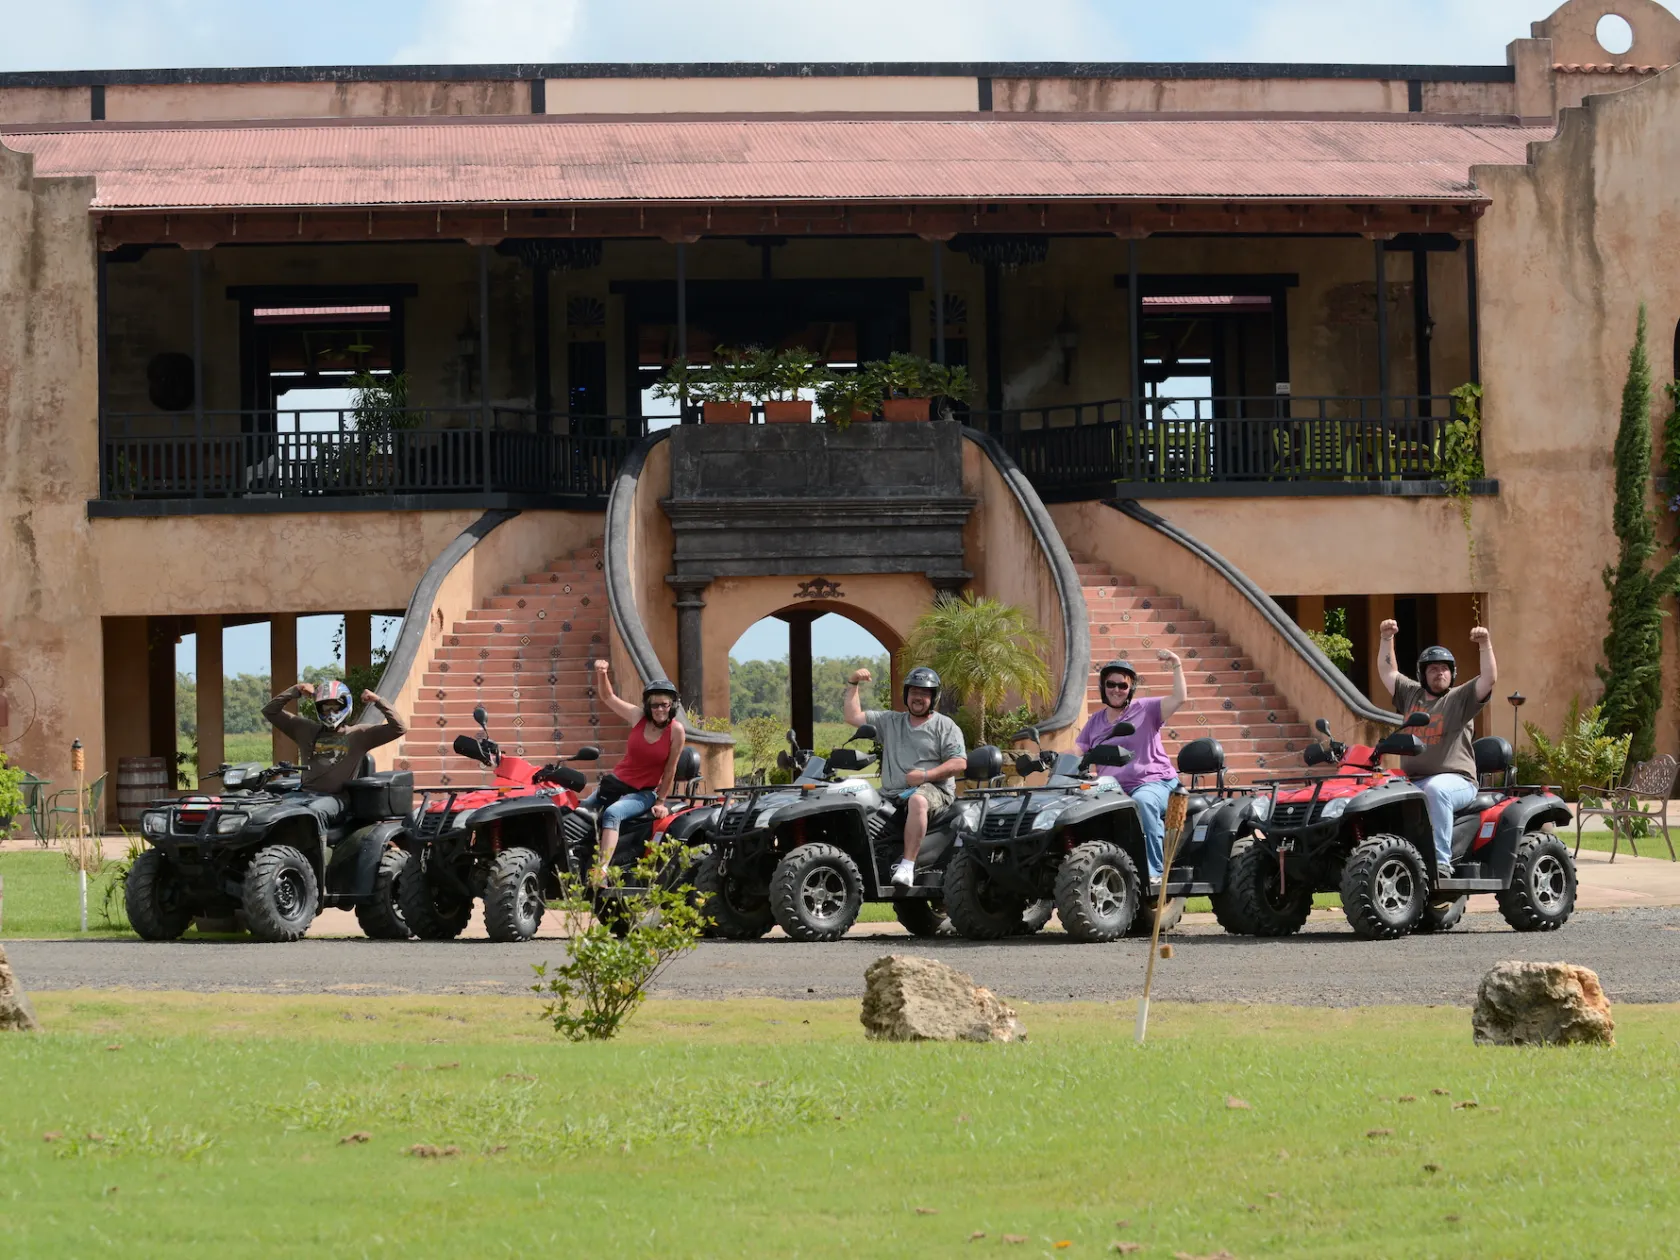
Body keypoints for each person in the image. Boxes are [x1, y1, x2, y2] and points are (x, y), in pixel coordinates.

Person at [1377, 621, 1496, 878]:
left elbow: (1488, 679)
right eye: (1433, 669)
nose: (1439, 673)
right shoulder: (1411, 695)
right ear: (1423, 674)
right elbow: (1388, 673)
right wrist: (1386, 638)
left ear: (1452, 674)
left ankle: (1441, 861)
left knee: (1437, 789)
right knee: (1378, 792)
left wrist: (1485, 644)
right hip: (1413, 781)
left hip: (1458, 781)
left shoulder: (1460, 697)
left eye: (1444, 669)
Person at [842, 665, 967, 889]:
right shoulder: (891, 721)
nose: (918, 697)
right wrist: (853, 684)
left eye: (924, 693)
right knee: (856, 800)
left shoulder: (944, 726)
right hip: (892, 793)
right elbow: (853, 716)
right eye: (914, 692)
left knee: (918, 799)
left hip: (934, 790)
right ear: (906, 694)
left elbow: (959, 762)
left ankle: (907, 865)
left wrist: (926, 775)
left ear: (934, 697)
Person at [1074, 653, 1188, 881]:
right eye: (1111, 684)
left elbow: (1179, 698)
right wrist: (1052, 759)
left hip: (1154, 781)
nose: (1116, 690)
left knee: (1143, 802)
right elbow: (1077, 751)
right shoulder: (1095, 721)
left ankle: (1154, 872)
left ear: (1130, 688)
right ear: (1103, 687)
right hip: (1111, 787)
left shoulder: (1147, 709)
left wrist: (1176, 664)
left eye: (1122, 685)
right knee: (1076, 801)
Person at [585, 661, 687, 880]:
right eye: (655, 705)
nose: (660, 709)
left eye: (665, 705)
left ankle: (601, 870)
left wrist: (660, 802)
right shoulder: (638, 717)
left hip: (643, 793)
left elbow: (670, 770)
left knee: (613, 813)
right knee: (581, 814)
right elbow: (608, 698)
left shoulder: (676, 731)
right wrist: (601, 673)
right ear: (648, 707)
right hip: (615, 783)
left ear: (672, 706)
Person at [260, 679, 408, 821]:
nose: (331, 712)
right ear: (319, 708)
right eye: (326, 707)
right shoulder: (306, 729)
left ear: (346, 706)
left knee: (312, 814)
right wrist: (295, 690)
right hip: (303, 794)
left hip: (336, 799)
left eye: (336, 706)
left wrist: (377, 700)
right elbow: (270, 711)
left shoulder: (359, 734)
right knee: (267, 812)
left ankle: (318, 847)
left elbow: (399, 728)